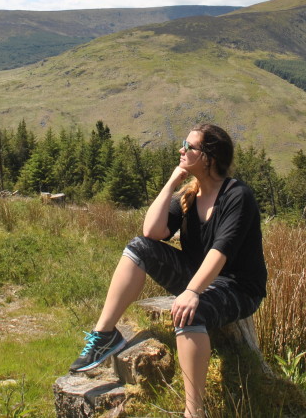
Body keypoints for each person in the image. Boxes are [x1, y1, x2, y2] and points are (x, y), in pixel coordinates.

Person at [70, 123, 268, 418]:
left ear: (208, 156)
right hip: (199, 277)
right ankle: (105, 335)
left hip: (238, 287)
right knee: (138, 247)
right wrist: (174, 180)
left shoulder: (237, 195)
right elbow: (151, 231)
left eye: (189, 146)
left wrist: (191, 292)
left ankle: (194, 412)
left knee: (192, 311)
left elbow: (221, 253)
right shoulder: (191, 194)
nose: (182, 150)